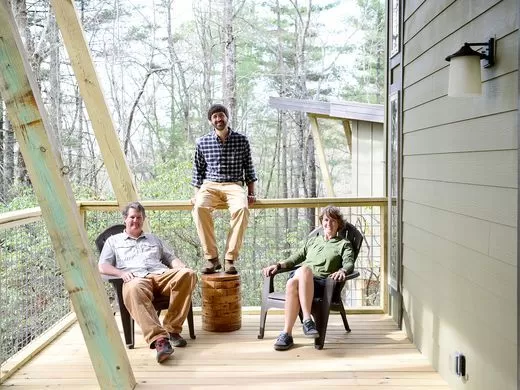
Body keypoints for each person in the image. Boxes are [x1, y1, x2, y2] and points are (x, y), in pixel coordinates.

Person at [98, 202, 197, 363]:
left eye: (139, 217)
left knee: (188, 274)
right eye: (132, 217)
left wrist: (180, 267)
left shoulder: (153, 239)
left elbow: (169, 257)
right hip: (135, 278)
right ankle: (160, 340)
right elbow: (103, 266)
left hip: (160, 274)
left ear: (143, 219)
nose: (135, 221)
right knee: (134, 288)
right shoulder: (113, 241)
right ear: (125, 219)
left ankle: (172, 329)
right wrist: (121, 273)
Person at [261, 205, 354, 351]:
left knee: (292, 283)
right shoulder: (313, 241)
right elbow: (295, 258)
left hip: (321, 284)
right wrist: (278, 265)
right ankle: (307, 321)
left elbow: (349, 262)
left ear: (339, 224)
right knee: (303, 270)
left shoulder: (344, 244)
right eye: (325, 220)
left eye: (333, 221)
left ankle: (287, 334)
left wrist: (343, 270)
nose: (328, 224)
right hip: (303, 275)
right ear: (321, 222)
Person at [191, 103, 257, 275]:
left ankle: (230, 259)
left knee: (242, 209)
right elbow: (198, 171)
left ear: (227, 118)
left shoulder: (241, 140)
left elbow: (248, 168)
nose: (219, 119)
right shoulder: (202, 142)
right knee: (199, 208)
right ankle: (212, 259)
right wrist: (196, 195)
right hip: (210, 185)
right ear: (210, 121)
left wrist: (251, 192)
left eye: (221, 115)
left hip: (234, 184)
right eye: (215, 117)